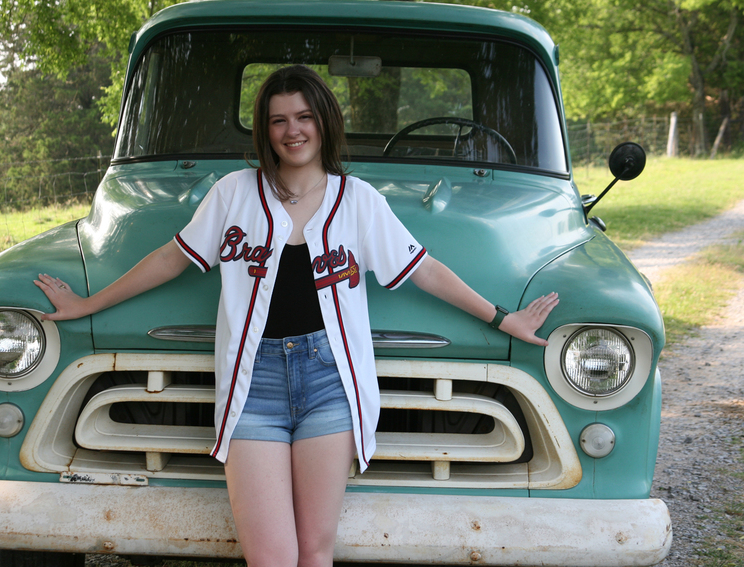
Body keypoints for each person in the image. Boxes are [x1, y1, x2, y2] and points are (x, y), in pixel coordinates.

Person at [34, 64, 558, 567]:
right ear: (265, 129)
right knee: (271, 557)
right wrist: (89, 303)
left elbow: (423, 270)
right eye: (279, 119)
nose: (293, 131)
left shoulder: (358, 201)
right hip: (252, 384)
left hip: (329, 381)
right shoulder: (234, 193)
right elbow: (172, 257)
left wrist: (501, 318)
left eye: (304, 116)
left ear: (324, 121)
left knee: (313, 553)